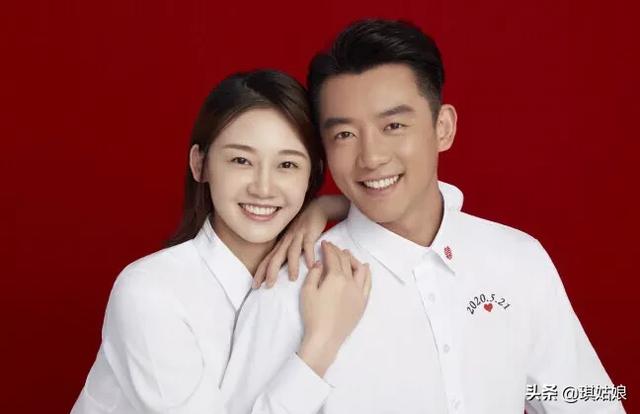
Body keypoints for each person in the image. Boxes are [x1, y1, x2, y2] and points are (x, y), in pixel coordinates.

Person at [221, 20, 626, 413]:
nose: (371, 157)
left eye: (394, 125)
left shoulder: (518, 260)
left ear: (443, 127)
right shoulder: (289, 287)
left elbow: (588, 401)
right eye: (345, 134)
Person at [70, 69, 372, 414]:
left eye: (287, 165)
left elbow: (408, 205)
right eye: (241, 160)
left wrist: (325, 206)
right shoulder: (150, 292)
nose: (263, 187)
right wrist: (321, 344)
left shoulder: (312, 276)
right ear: (200, 165)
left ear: (312, 175)